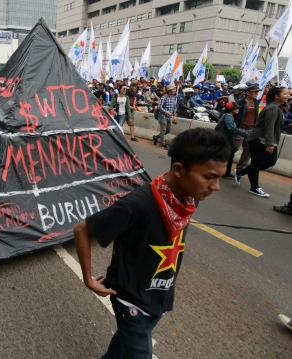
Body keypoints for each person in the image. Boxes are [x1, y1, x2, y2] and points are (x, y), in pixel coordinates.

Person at [74, 128, 230, 359]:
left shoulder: (189, 199)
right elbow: (82, 229)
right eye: (209, 177)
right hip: (131, 299)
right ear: (178, 169)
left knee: (126, 343)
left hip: (160, 294)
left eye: (219, 177)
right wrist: (87, 279)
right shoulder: (137, 205)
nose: (216, 186)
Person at [235, 86, 289, 197]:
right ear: (276, 96)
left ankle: (241, 172)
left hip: (268, 140)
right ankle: (254, 187)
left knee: (271, 161)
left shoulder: (276, 107)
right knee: (257, 163)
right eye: (285, 94)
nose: (288, 96)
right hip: (259, 140)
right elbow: (269, 128)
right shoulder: (273, 108)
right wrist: (269, 144)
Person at [215, 102, 247, 179]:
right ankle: (225, 172)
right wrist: (245, 134)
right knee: (227, 154)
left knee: (228, 154)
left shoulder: (228, 115)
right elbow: (231, 128)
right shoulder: (228, 116)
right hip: (224, 139)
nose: (238, 109)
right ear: (231, 109)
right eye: (236, 108)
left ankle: (225, 171)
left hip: (222, 138)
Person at [232, 84, 261, 171]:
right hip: (240, 128)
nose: (256, 93)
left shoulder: (256, 102)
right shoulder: (240, 102)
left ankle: (239, 168)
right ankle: (221, 162)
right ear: (247, 92)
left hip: (251, 130)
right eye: (254, 92)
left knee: (248, 149)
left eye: (257, 92)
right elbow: (235, 115)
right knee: (234, 148)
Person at [154, 84, 177, 149]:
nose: (175, 90)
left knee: (168, 130)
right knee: (163, 130)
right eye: (173, 89)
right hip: (162, 116)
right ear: (169, 90)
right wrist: (166, 112)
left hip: (169, 117)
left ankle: (156, 137)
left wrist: (174, 116)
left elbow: (175, 108)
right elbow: (159, 107)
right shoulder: (164, 97)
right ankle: (163, 144)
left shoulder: (173, 98)